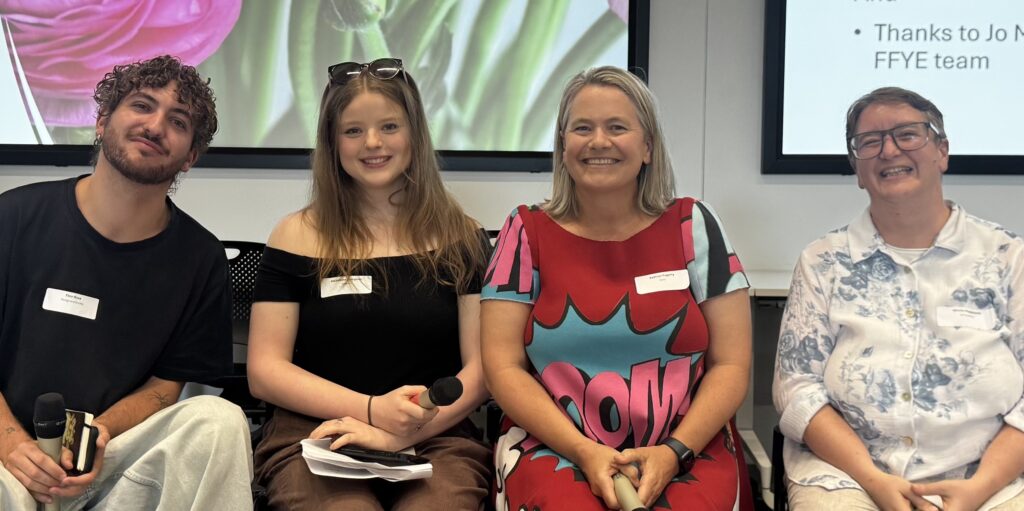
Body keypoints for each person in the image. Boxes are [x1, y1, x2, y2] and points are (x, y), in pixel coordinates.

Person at [481, 66, 754, 511]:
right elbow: (503, 368)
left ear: (647, 147)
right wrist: (584, 451)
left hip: (687, 447)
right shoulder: (524, 230)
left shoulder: (695, 225)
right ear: (563, 146)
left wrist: (673, 452)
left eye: (617, 127)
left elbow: (732, 364)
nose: (599, 142)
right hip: (555, 446)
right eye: (582, 128)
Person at [0, 55, 253, 510]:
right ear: (101, 123)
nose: (155, 126)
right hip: (5, 452)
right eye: (141, 106)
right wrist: (13, 447)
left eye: (177, 121)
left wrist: (94, 438)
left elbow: (164, 388)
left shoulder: (201, 258)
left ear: (191, 156)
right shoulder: (12, 218)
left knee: (219, 419)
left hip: (111, 457)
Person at [247, 58, 492, 510]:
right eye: (353, 130)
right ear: (332, 142)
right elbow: (264, 371)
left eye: (389, 126)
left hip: (437, 436)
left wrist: (400, 431)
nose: (373, 143)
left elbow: (481, 372)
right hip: (316, 433)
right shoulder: (293, 235)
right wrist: (372, 411)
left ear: (415, 133)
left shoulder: (463, 237)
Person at [773, 86, 1024, 511]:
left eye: (907, 135)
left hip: (989, 478)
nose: (889, 151)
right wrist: (875, 482)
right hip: (847, 476)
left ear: (942, 151)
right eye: (870, 142)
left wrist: (978, 490)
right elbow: (797, 391)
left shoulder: (1008, 258)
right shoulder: (822, 263)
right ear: (857, 169)